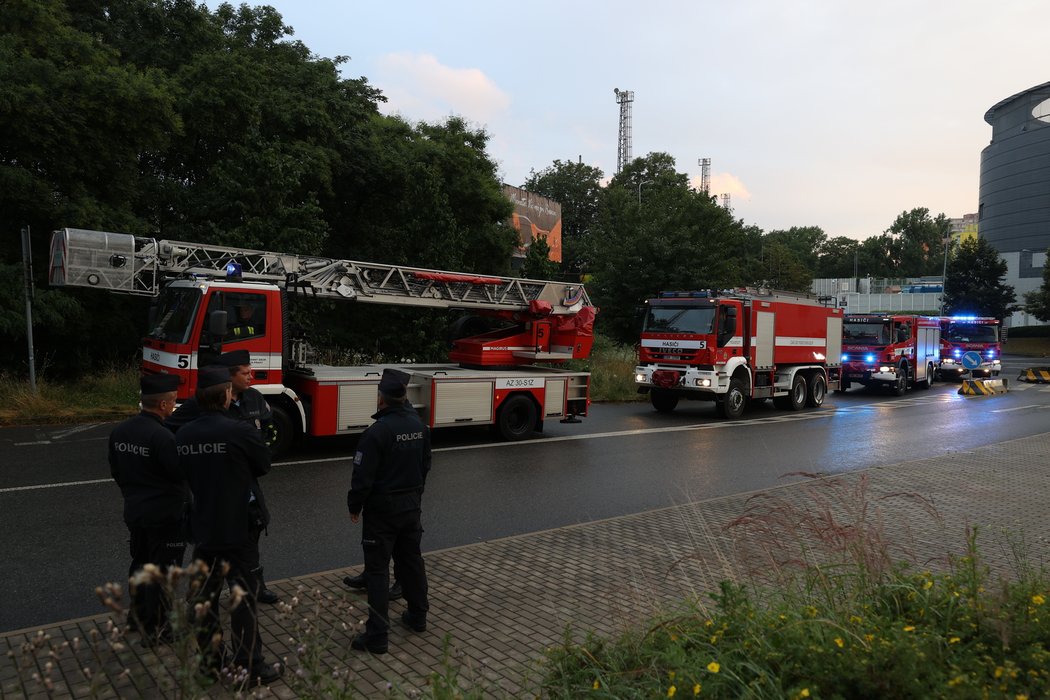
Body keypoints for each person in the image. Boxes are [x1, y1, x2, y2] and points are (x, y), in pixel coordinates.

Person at [178, 366, 281, 684]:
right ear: (225, 396)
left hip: (205, 529)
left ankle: (210, 664)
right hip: (239, 530)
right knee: (243, 600)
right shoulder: (240, 431)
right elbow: (263, 465)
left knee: (203, 600)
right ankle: (249, 667)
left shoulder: (184, 435)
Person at [166, 350, 279, 604]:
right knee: (210, 549)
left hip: (245, 488)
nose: (251, 376)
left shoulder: (254, 398)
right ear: (228, 379)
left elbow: (268, 430)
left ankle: (255, 587)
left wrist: (262, 452)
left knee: (249, 546)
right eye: (245, 372)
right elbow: (169, 430)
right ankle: (208, 597)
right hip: (212, 491)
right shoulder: (201, 403)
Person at [347, 368, 431, 654]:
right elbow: (425, 465)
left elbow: (362, 477)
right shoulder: (420, 426)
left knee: (377, 571)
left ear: (381, 399)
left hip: (382, 511)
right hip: (410, 506)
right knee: (411, 562)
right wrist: (415, 493)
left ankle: (378, 637)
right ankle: (418, 617)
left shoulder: (377, 432)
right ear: (404, 397)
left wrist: (354, 506)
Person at [108, 373, 187, 643]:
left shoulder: (120, 431)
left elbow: (116, 471)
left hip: (136, 512)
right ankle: (158, 629)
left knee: (140, 565)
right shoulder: (163, 437)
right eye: (174, 402)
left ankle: (137, 616)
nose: (175, 406)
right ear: (163, 405)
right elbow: (178, 475)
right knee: (163, 573)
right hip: (164, 516)